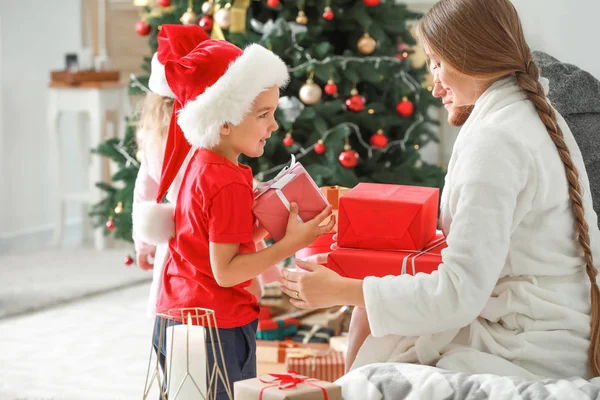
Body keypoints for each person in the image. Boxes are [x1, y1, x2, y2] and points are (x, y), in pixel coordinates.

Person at [280, 0, 600, 380]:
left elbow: (458, 295)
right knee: (376, 312)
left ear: (471, 56)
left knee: (372, 344)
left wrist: (339, 291)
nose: (434, 86)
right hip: (559, 330)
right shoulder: (529, 114)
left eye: (436, 62)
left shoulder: (495, 140)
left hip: (527, 344)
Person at [134, 39, 334, 399]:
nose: (273, 125)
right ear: (223, 122)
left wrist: (268, 220)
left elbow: (217, 234)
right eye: (263, 114)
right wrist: (291, 244)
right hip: (213, 326)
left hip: (182, 315)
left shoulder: (208, 163)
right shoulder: (225, 180)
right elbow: (226, 271)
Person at [132, 23, 210, 318]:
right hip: (214, 233)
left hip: (176, 236)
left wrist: (143, 244)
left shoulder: (154, 135)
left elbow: (145, 193)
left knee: (169, 303)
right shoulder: (215, 130)